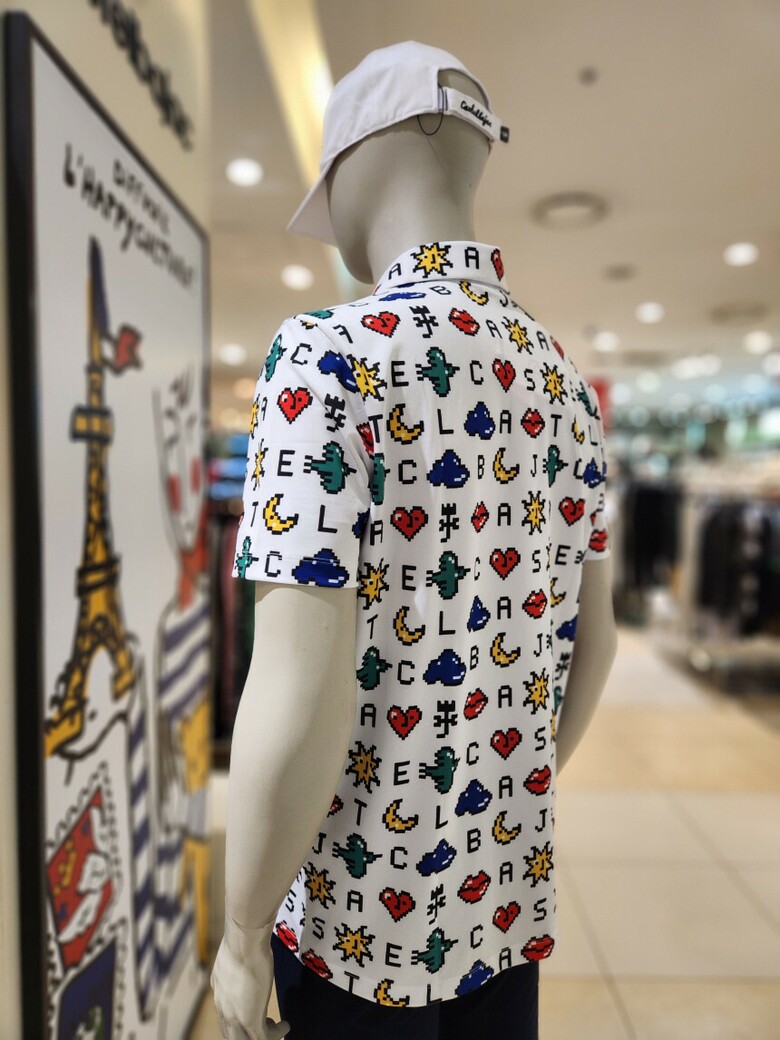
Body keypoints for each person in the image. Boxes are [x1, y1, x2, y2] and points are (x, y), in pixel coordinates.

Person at [211, 41, 617, 1040]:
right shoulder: (563, 384)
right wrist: (500, 792)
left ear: (359, 158)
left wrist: (242, 926)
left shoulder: (327, 356)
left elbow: (298, 682)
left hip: (356, 923)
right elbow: (595, 641)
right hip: (501, 899)